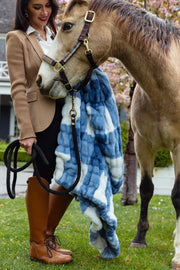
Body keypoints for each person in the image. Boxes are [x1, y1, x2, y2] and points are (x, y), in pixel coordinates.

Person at [6, 0, 73, 265]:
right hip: (40, 118)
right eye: (36, 7)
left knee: (70, 173)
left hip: (66, 114)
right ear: (25, 9)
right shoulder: (17, 38)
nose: (44, 12)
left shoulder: (57, 35)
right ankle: (38, 246)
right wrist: (26, 131)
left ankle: (48, 236)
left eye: (47, 6)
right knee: (43, 175)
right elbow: (17, 87)